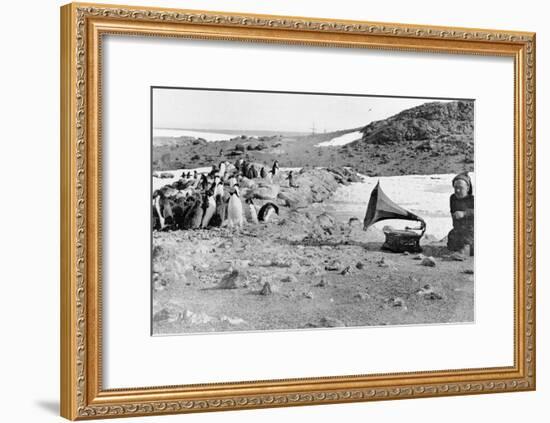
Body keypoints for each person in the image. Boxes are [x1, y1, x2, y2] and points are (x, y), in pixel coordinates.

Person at [447, 172, 474, 256]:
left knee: (467, 242)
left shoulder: (472, 199)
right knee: (451, 239)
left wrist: (464, 213)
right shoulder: (453, 198)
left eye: (460, 188)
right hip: (458, 230)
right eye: (455, 188)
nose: (457, 190)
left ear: (467, 188)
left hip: (472, 231)